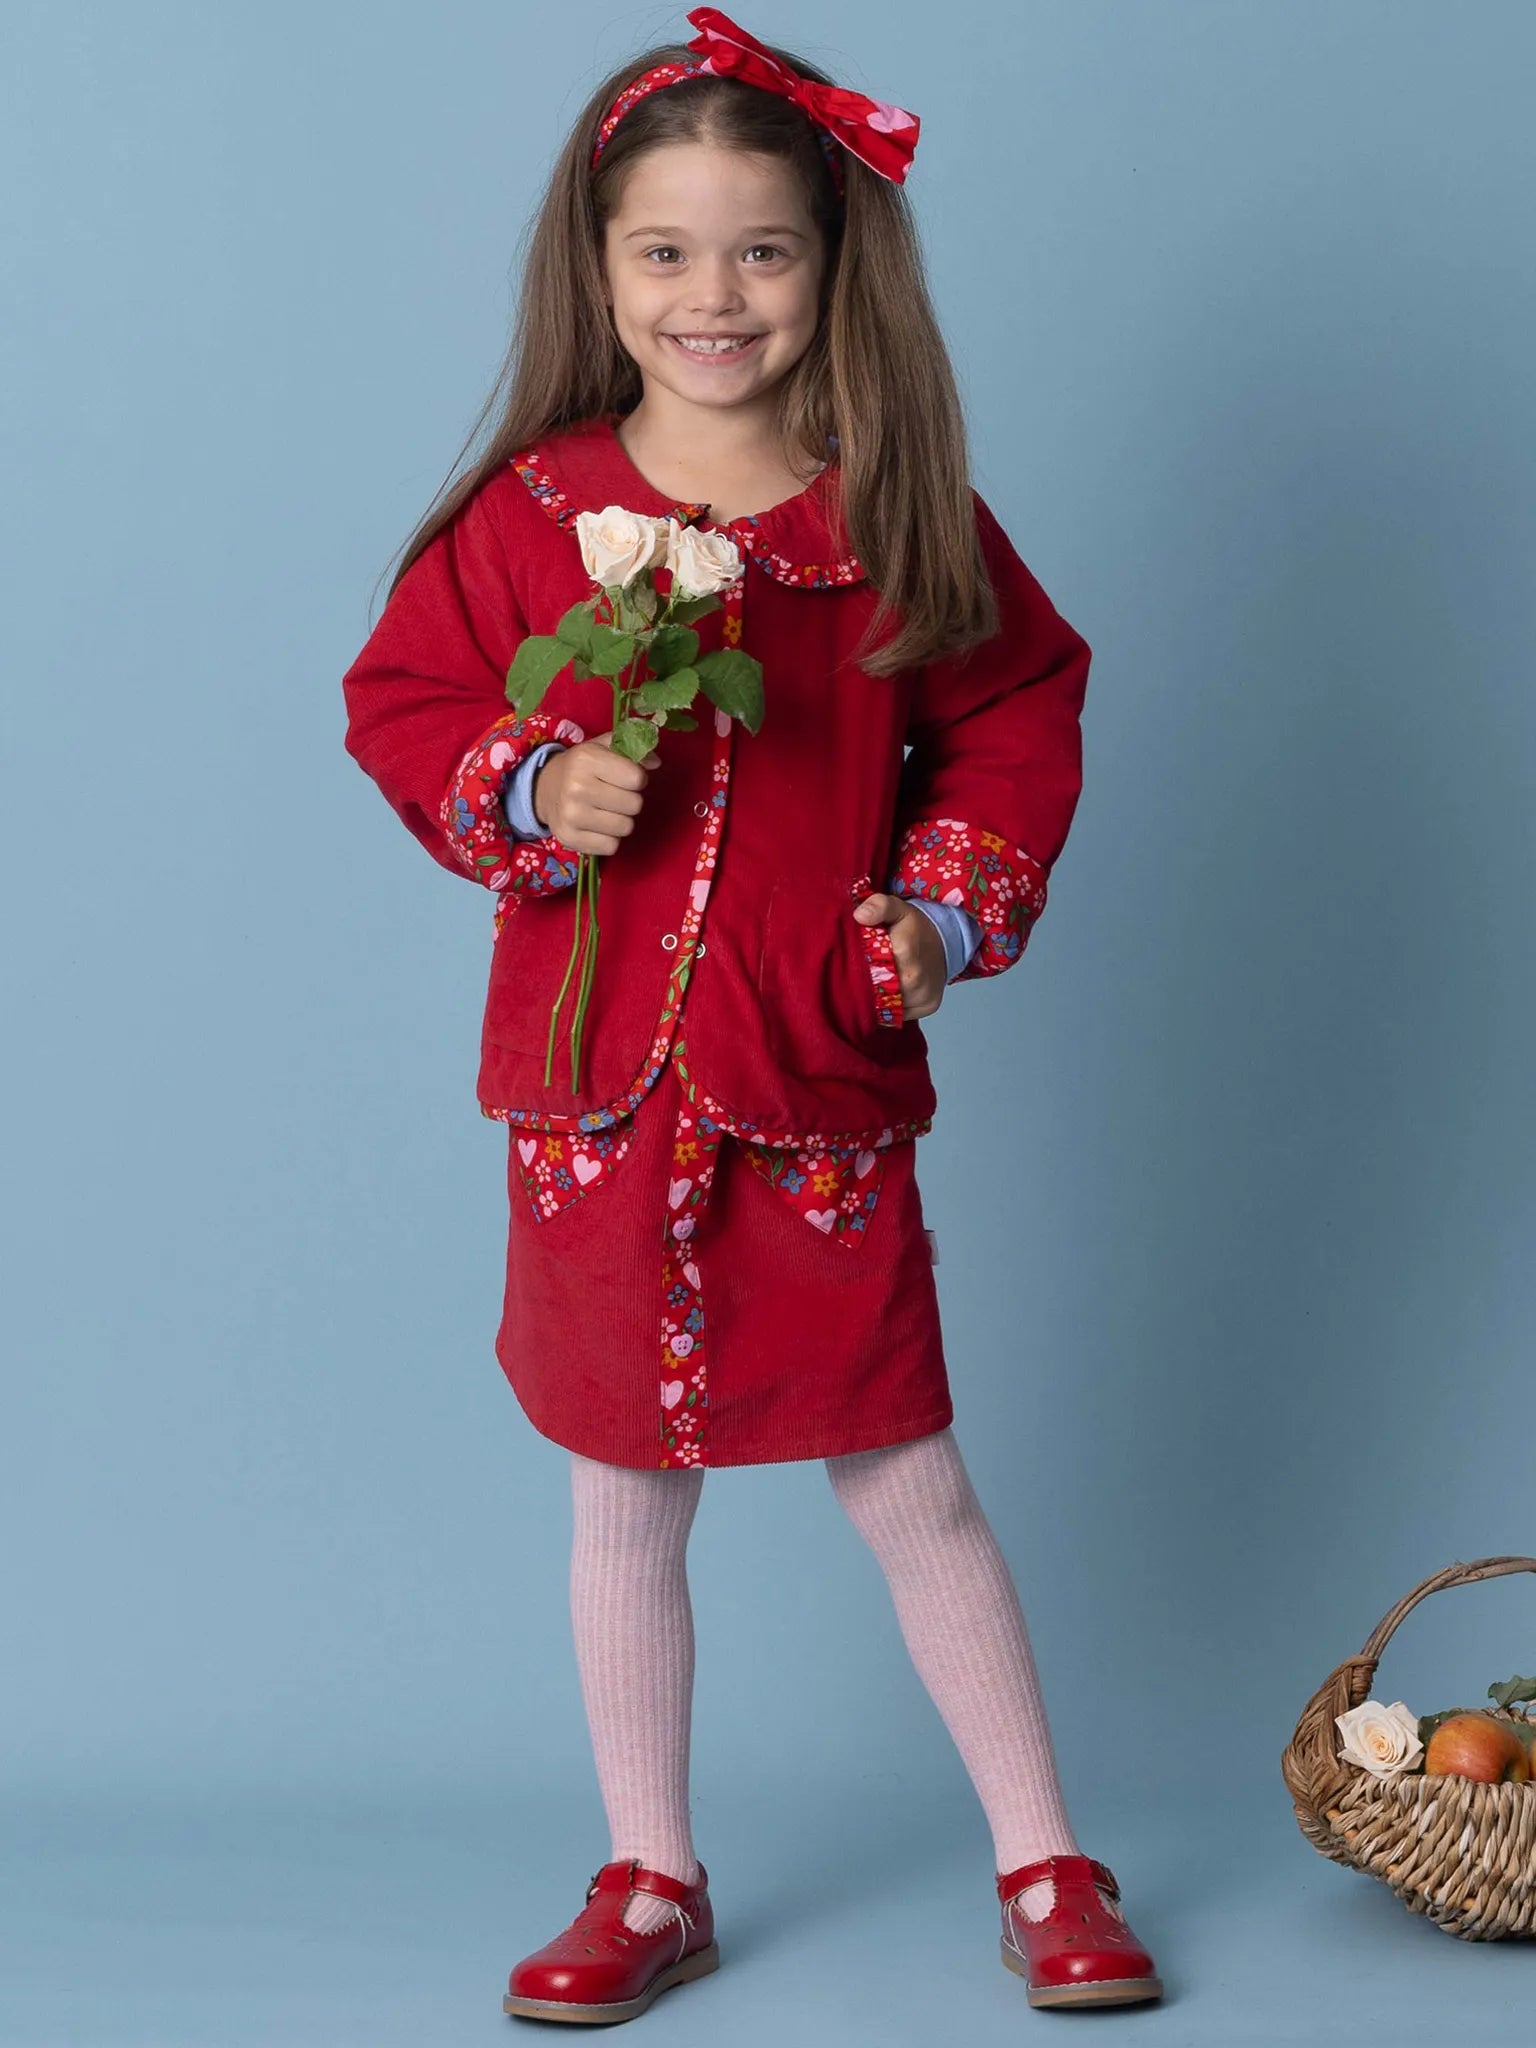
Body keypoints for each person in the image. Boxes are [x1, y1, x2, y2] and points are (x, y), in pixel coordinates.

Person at [341, 5, 1162, 2023]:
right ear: (599, 267)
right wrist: (537, 784)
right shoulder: (530, 515)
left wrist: (945, 922)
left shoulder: (891, 511)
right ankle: (653, 1871)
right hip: (596, 1097)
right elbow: (407, 701)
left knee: (910, 1474)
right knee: (622, 1484)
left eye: (765, 251)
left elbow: (1013, 707)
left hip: (815, 1080)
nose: (716, 296)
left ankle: (1047, 1857)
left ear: (832, 266)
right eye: (668, 252)